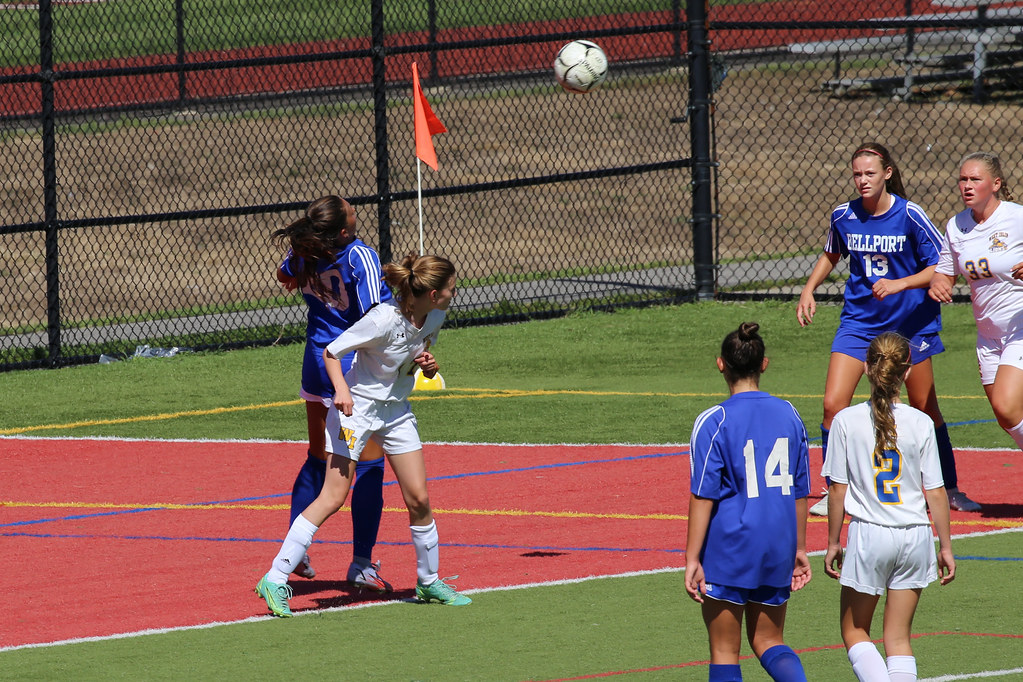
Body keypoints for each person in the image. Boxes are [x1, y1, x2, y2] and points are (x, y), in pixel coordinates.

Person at [255, 253, 471, 617]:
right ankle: (275, 578)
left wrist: (428, 364)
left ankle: (429, 581)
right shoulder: (382, 319)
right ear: (433, 293)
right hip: (357, 412)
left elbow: (415, 353)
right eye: (451, 287)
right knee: (333, 496)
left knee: (418, 498)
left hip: (397, 413)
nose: (455, 292)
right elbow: (332, 351)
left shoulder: (435, 315)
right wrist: (341, 390)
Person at [797, 142, 980, 514]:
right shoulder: (843, 216)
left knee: (925, 408)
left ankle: (949, 488)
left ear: (887, 174)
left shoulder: (910, 215)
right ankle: (836, 489)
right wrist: (808, 288)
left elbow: (941, 266)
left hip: (909, 325)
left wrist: (901, 284)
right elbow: (832, 253)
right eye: (857, 174)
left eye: (869, 173)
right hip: (859, 323)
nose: (862, 180)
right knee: (833, 406)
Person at [270, 195, 393, 590]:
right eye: (353, 211)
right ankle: (361, 563)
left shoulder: (305, 251)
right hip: (350, 367)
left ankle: (296, 544)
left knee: (317, 456)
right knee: (370, 464)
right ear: (344, 229)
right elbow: (377, 312)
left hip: (316, 361)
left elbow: (283, 275)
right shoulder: (360, 256)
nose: (357, 212)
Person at [823, 332, 956, 682]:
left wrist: (834, 542)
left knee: (855, 631)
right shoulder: (922, 422)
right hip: (916, 536)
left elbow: (837, 490)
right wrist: (945, 546)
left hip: (870, 535)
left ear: (867, 368)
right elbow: (937, 492)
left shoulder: (846, 421)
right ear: (907, 371)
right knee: (898, 639)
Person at [686, 322, 812, 682]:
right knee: (770, 640)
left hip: (731, 546)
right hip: (778, 544)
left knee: (725, 650)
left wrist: (692, 558)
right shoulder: (789, 413)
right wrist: (800, 547)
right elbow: (800, 489)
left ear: (720, 364)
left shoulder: (714, 420)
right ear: (764, 364)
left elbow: (703, 496)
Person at [929, 152, 1023, 452]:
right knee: (1005, 417)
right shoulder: (957, 226)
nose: (967, 186)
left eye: (975, 179)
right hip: (987, 335)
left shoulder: (1015, 217)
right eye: (963, 179)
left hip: (1018, 327)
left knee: (1007, 406)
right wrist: (938, 284)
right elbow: (944, 272)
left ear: (995, 184)